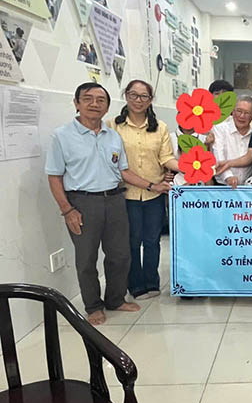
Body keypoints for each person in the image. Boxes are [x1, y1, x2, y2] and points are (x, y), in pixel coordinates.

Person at [45, 82, 170, 325]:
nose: (94, 104)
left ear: (107, 106)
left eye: (100, 100)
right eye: (88, 99)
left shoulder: (112, 136)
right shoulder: (62, 136)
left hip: (115, 200)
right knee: (86, 258)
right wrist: (67, 210)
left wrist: (152, 186)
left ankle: (115, 299)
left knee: (120, 255)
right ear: (76, 103)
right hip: (82, 202)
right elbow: (54, 176)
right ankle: (93, 306)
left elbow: (123, 171)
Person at [108, 79, 181, 300]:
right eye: (133, 95)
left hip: (155, 194)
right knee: (132, 241)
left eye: (144, 96)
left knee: (152, 241)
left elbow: (166, 158)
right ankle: (135, 284)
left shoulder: (160, 127)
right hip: (126, 193)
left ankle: (151, 281)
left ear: (150, 100)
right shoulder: (113, 126)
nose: (138, 100)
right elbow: (113, 162)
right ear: (126, 96)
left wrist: (193, 168)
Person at [212, 95, 252, 188]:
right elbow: (219, 157)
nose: (242, 116)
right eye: (239, 111)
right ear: (233, 111)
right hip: (223, 186)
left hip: (248, 188)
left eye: (247, 113)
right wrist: (228, 177)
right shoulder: (220, 129)